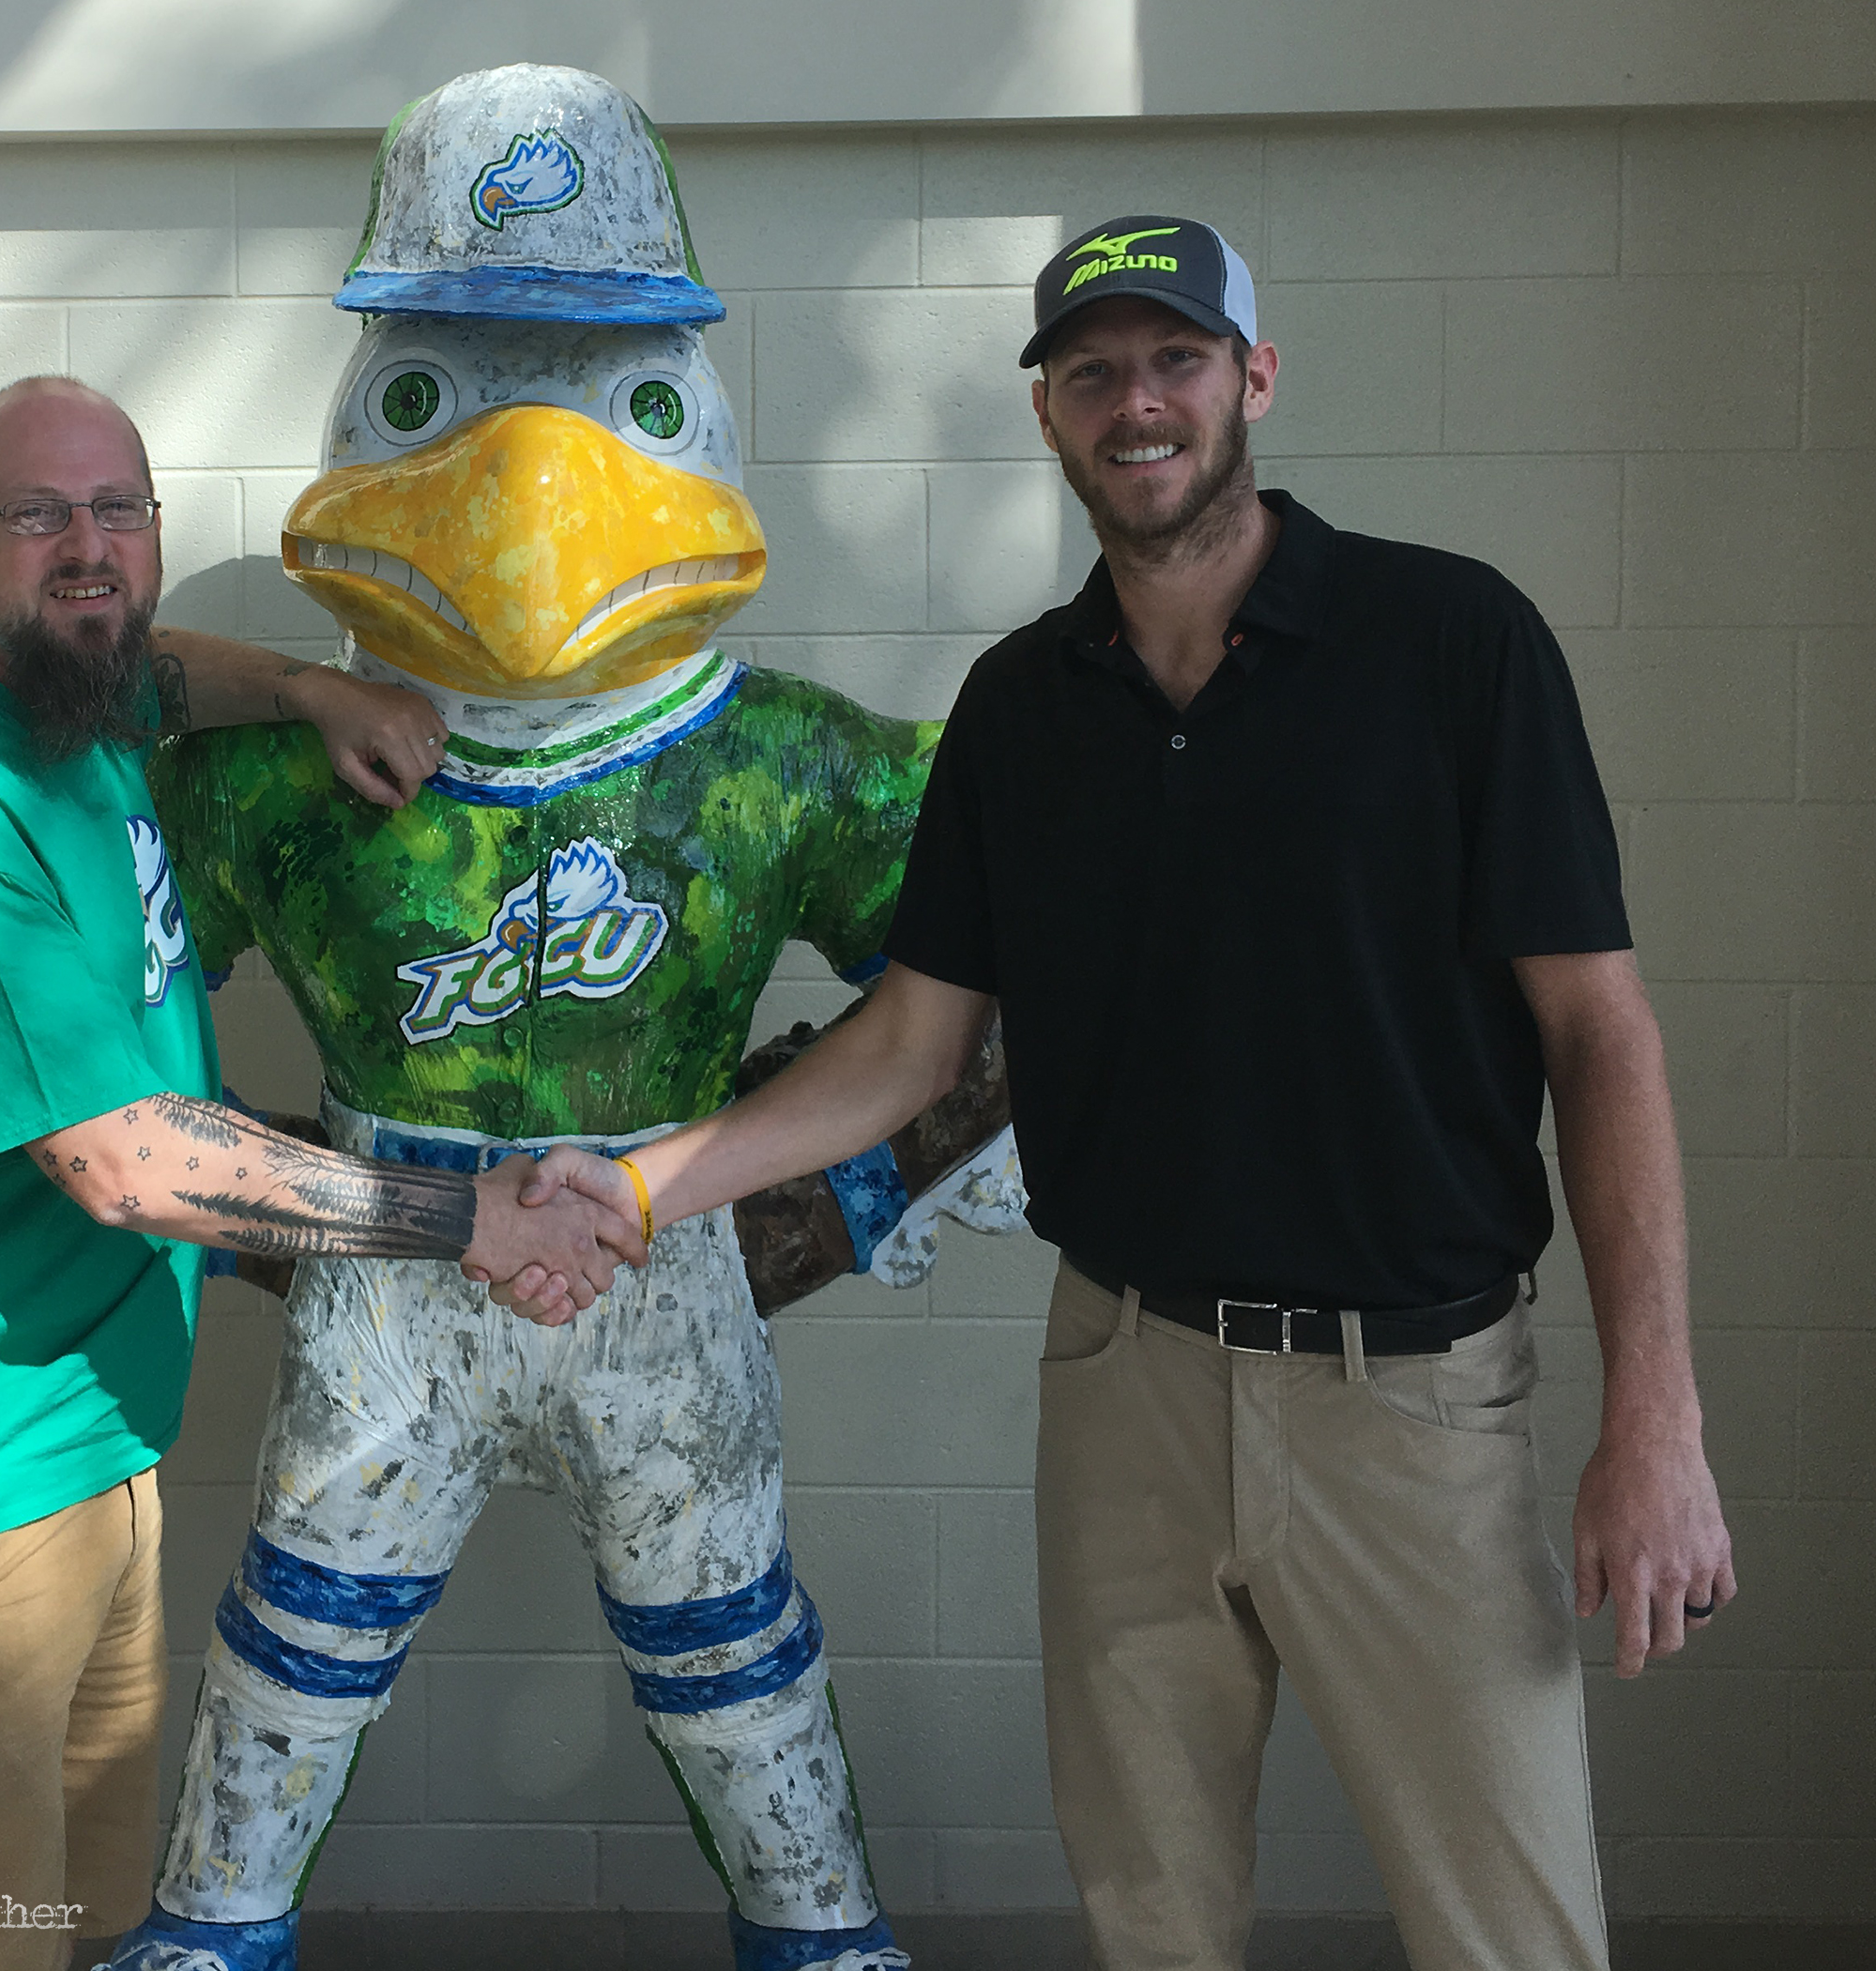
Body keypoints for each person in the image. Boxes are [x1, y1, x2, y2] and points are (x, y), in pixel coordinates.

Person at [518, 218, 1736, 1970]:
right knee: (1149, 1914)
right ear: (1049, 416)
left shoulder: (1452, 642)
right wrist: (641, 1190)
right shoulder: (1021, 707)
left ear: (1253, 379)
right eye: (1093, 372)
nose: (1136, 402)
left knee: (1512, 1932)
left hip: (1408, 1398)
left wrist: (1659, 1422)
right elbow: (909, 1051)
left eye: (1175, 360)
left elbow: (1603, 1037)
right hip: (1124, 1378)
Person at [0, 374, 642, 1970]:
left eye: (118, 512)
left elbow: (159, 673)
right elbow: (125, 1160)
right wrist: (469, 1220)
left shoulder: (69, 698)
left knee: (79, 1922)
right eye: (38, 516)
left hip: (82, 1463)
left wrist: (312, 692)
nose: (86, 550)